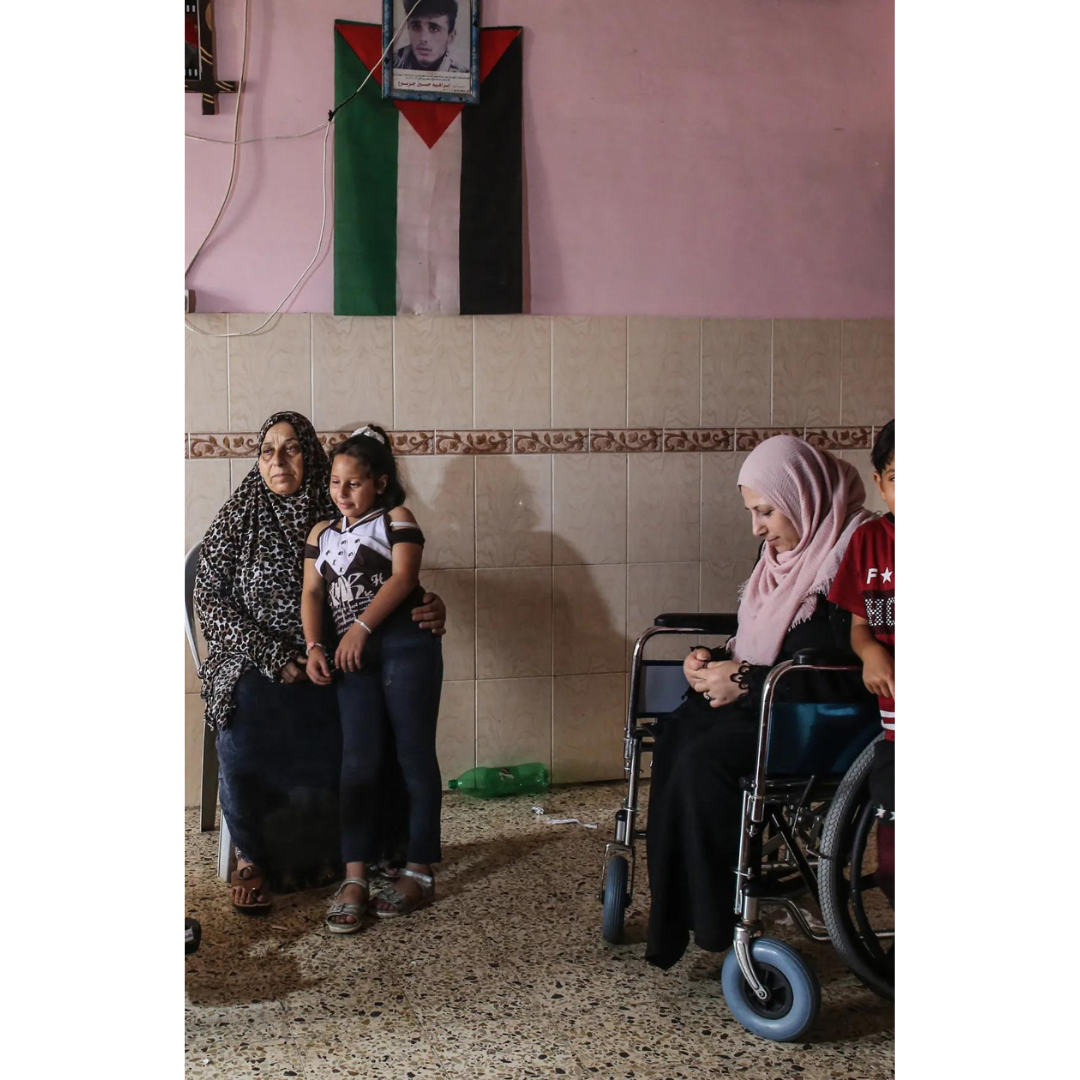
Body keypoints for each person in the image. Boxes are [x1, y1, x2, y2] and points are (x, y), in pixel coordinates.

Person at [194, 411, 447, 913]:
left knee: (377, 728)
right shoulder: (239, 515)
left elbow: (389, 576)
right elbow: (208, 600)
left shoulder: (336, 505)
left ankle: (378, 850)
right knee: (248, 715)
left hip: (338, 652)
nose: (278, 460)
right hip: (252, 657)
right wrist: (274, 654)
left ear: (310, 456)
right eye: (267, 450)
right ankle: (254, 855)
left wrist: (430, 603)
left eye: (291, 448)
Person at [645, 435, 875, 971]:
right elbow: (764, 638)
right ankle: (677, 913)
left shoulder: (856, 551)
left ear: (804, 497)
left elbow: (845, 671)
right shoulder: (781, 556)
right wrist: (712, 662)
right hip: (773, 703)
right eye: (753, 512)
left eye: (767, 512)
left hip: (822, 720)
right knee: (676, 731)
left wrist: (747, 680)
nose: (757, 528)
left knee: (704, 758)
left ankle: (715, 916)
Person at [303, 426, 444, 932]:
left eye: (355, 483)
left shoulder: (396, 518)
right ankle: (355, 876)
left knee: (414, 755)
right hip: (351, 656)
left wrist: (360, 629)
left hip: (405, 646)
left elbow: (404, 577)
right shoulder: (321, 533)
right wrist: (314, 645)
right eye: (335, 482)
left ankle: (419, 870)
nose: (342, 493)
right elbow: (313, 593)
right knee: (357, 762)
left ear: (380, 483)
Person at [827, 419, 895, 904]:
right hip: (893, 727)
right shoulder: (868, 541)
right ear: (879, 482)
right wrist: (870, 651)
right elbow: (858, 625)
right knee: (892, 857)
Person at [393, 0, 466, 72]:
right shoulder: (390, 62)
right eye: (416, 27)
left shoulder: (463, 75)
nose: (423, 38)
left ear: (451, 36)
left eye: (434, 29)